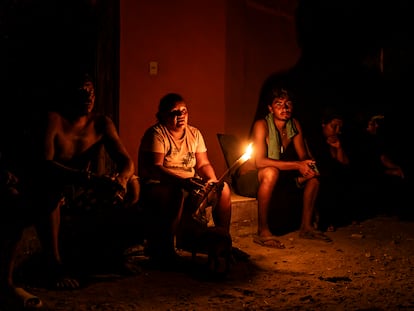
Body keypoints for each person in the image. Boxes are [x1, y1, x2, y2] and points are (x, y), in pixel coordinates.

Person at [1, 71, 137, 310]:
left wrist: (123, 179)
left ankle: (111, 255)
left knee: (134, 186)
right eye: (82, 92)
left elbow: (126, 161)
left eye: (91, 92)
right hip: (52, 184)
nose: (88, 97)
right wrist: (88, 179)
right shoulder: (53, 119)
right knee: (49, 192)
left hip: (80, 189)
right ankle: (53, 264)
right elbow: (45, 165)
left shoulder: (101, 123)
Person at [138, 93, 233, 268]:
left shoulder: (194, 134)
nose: (180, 116)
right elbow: (156, 169)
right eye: (175, 112)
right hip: (161, 185)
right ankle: (166, 250)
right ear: (163, 115)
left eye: (184, 111)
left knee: (224, 189)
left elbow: (203, 163)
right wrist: (183, 182)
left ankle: (223, 243)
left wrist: (211, 181)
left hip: (189, 183)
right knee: (175, 194)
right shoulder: (157, 134)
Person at [237, 86, 332, 248]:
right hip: (250, 177)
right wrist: (297, 165)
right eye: (279, 104)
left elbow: (302, 155)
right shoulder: (262, 125)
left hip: (277, 174)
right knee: (271, 172)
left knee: (313, 175)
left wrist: (307, 164)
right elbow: (260, 162)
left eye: (288, 104)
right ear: (270, 108)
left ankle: (306, 227)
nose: (285, 108)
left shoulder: (294, 124)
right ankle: (263, 231)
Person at [305, 108, 353, 232]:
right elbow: (311, 160)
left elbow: (345, 163)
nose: (337, 131)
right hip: (318, 173)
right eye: (333, 126)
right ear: (324, 124)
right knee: (326, 179)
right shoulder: (313, 139)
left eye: (339, 128)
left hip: (333, 175)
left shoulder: (336, 140)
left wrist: (339, 148)